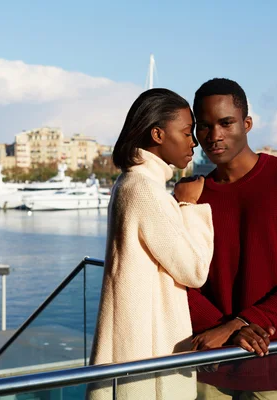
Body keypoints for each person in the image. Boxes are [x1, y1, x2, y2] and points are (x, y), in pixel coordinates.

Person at [187, 78, 277, 399]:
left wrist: (241, 322)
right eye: (204, 126)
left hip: (273, 362)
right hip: (209, 360)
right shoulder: (191, 196)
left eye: (226, 123)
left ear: (247, 123)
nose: (215, 136)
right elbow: (178, 280)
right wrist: (223, 328)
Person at [88, 88, 215, 400]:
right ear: (158, 134)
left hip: (134, 341)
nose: (194, 142)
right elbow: (194, 270)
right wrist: (188, 206)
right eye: (187, 132)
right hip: (148, 349)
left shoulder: (130, 182)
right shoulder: (146, 191)